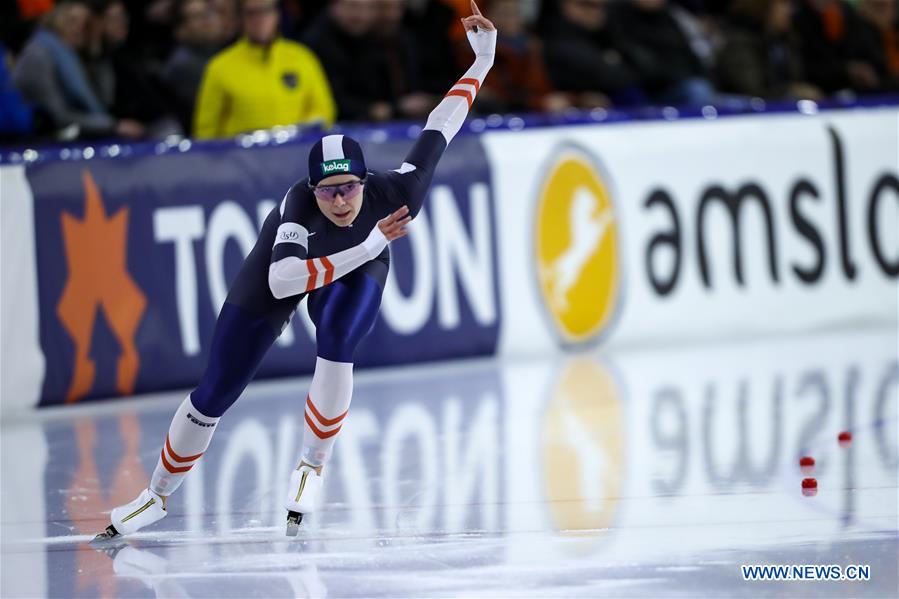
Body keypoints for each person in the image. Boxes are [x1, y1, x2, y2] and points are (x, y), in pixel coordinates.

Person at [94, 0, 497, 540]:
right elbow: (284, 280)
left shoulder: (396, 193)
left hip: (359, 264)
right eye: (329, 191)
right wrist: (370, 240)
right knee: (216, 388)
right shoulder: (298, 210)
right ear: (312, 191)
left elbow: (441, 123)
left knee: (337, 338)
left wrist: (483, 61)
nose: (340, 200)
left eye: (349, 187)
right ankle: (157, 496)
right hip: (289, 270)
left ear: (364, 179)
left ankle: (311, 468)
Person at [193, 0, 336, 139]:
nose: (260, 19)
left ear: (277, 14)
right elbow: (206, 130)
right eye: (251, 13)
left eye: (266, 10)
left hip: (294, 155)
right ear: (241, 18)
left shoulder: (302, 58)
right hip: (240, 159)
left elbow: (324, 110)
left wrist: (298, 132)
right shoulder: (219, 67)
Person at [12, 1, 144, 140]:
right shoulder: (38, 54)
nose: (78, 28)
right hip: (39, 141)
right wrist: (112, 126)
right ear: (56, 19)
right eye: (72, 20)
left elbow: (106, 101)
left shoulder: (74, 58)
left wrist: (96, 52)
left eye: (85, 24)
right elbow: (56, 116)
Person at [717, 0, 823, 100]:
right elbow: (752, 90)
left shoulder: (787, 40)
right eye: (782, 5)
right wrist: (791, 91)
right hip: (743, 113)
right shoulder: (741, 42)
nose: (789, 11)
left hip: (783, 110)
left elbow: (798, 79)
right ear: (763, 8)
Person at [163, 0, 223, 131]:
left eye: (208, 13)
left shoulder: (219, 52)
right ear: (180, 30)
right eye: (196, 17)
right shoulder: (184, 64)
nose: (207, 21)